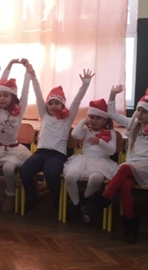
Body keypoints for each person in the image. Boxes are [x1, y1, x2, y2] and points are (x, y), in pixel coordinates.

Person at [83, 85, 148, 243]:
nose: (140, 114)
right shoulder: (133, 123)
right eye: (138, 110)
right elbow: (112, 114)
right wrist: (112, 94)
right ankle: (130, 225)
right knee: (125, 185)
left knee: (124, 167)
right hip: (132, 168)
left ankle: (100, 202)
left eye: (144, 111)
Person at [20, 69, 94, 213]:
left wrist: (85, 83)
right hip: (40, 152)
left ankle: (57, 202)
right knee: (25, 171)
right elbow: (38, 96)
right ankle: (33, 198)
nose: (53, 106)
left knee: (51, 173)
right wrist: (34, 77)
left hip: (57, 155)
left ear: (63, 106)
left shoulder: (67, 118)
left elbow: (77, 101)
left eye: (57, 103)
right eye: (51, 103)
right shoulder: (44, 114)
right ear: (47, 105)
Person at [0, 59, 34, 213]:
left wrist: (28, 71)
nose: (2, 98)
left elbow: (25, 91)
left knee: (8, 169)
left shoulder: (19, 109)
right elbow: (1, 83)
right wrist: (9, 65)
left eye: (6, 95)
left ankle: (10, 195)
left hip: (12, 150)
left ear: (13, 97)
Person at [63, 98, 119, 224]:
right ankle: (78, 205)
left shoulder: (111, 133)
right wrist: (83, 121)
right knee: (70, 176)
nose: (94, 120)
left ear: (105, 120)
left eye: (98, 118)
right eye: (92, 117)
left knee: (95, 178)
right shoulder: (86, 130)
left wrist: (99, 142)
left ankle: (84, 200)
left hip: (102, 161)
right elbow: (75, 135)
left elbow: (111, 151)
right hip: (83, 159)